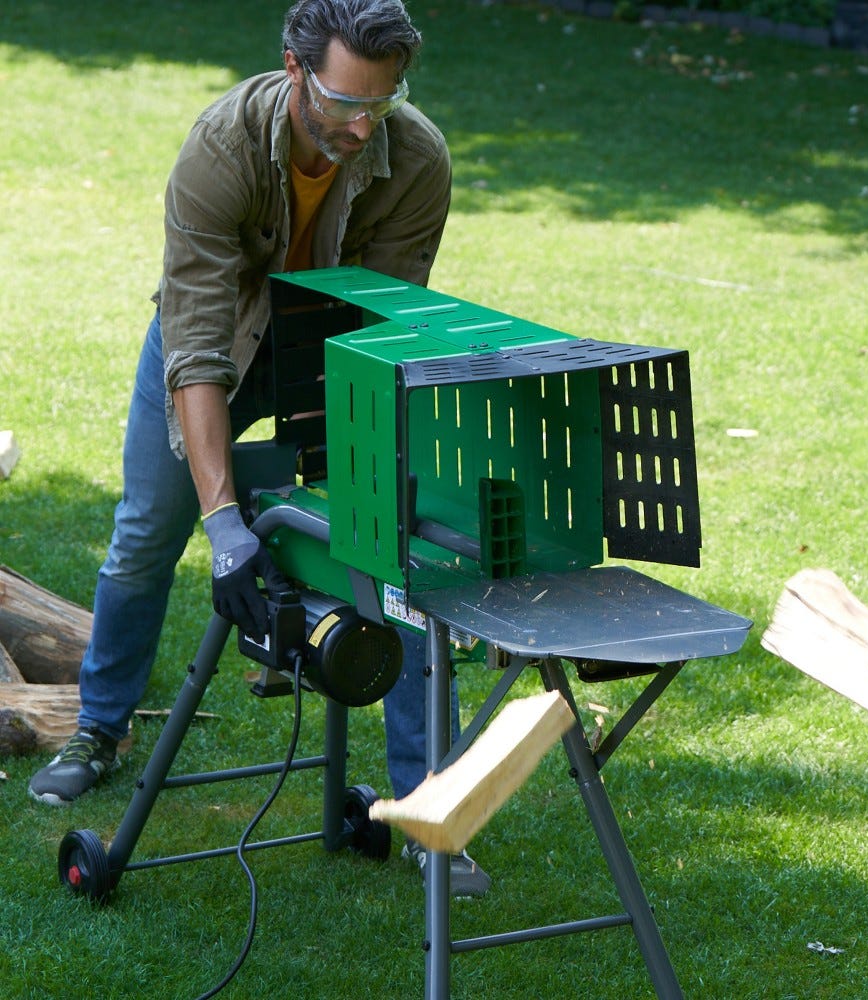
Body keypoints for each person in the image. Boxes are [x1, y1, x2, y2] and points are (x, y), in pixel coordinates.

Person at [29, 0, 489, 897]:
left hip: (333, 351)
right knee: (149, 528)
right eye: (341, 103)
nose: (361, 126)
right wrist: (226, 522)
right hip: (214, 341)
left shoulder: (417, 156)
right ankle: (97, 728)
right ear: (292, 68)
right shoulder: (218, 149)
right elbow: (196, 347)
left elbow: (384, 328)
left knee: (391, 553)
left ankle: (431, 807)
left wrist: (353, 476)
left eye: (382, 105)